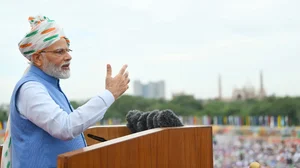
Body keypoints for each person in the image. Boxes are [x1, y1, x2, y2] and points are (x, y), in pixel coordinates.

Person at [1, 15, 130, 168]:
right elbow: (65, 127)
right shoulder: (31, 89)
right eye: (59, 52)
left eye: (67, 50)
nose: (68, 57)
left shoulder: (48, 84)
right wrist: (109, 94)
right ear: (37, 58)